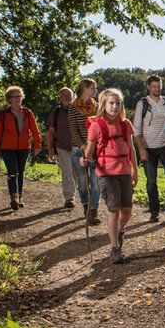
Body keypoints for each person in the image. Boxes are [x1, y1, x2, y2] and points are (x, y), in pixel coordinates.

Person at [83, 88, 138, 264]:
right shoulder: (96, 125)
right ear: (104, 104)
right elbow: (90, 151)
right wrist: (85, 160)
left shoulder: (126, 124)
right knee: (114, 209)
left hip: (124, 171)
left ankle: (119, 231)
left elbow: (131, 148)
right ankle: (115, 249)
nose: (114, 106)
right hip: (106, 173)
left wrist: (135, 170)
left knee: (127, 209)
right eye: (111, 103)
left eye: (117, 103)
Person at [133, 74, 165, 222]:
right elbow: (136, 129)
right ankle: (154, 211)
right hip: (148, 147)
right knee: (151, 180)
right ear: (148, 87)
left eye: (159, 86)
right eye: (154, 86)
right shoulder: (143, 103)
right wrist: (141, 149)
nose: (157, 88)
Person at [0, 86, 42, 210]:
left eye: (20, 96)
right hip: (7, 148)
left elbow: (35, 130)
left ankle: (20, 196)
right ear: (9, 99)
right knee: (13, 172)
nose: (18, 99)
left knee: (21, 172)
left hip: (24, 147)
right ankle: (14, 197)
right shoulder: (3, 115)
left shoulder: (27, 113)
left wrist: (38, 145)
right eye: (15, 96)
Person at [68, 78, 101, 225]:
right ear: (85, 89)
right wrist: (82, 145)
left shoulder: (97, 107)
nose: (95, 91)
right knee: (82, 182)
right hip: (78, 150)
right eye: (93, 88)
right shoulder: (73, 107)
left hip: (95, 150)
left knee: (96, 182)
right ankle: (86, 207)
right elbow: (73, 129)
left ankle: (93, 211)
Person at [46, 87, 77, 209]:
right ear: (59, 98)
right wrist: (50, 149)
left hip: (77, 147)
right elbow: (51, 132)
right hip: (62, 146)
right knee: (67, 172)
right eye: (63, 95)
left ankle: (82, 196)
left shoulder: (79, 110)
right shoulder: (56, 112)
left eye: (68, 94)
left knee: (77, 173)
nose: (66, 96)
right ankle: (69, 198)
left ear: (73, 95)